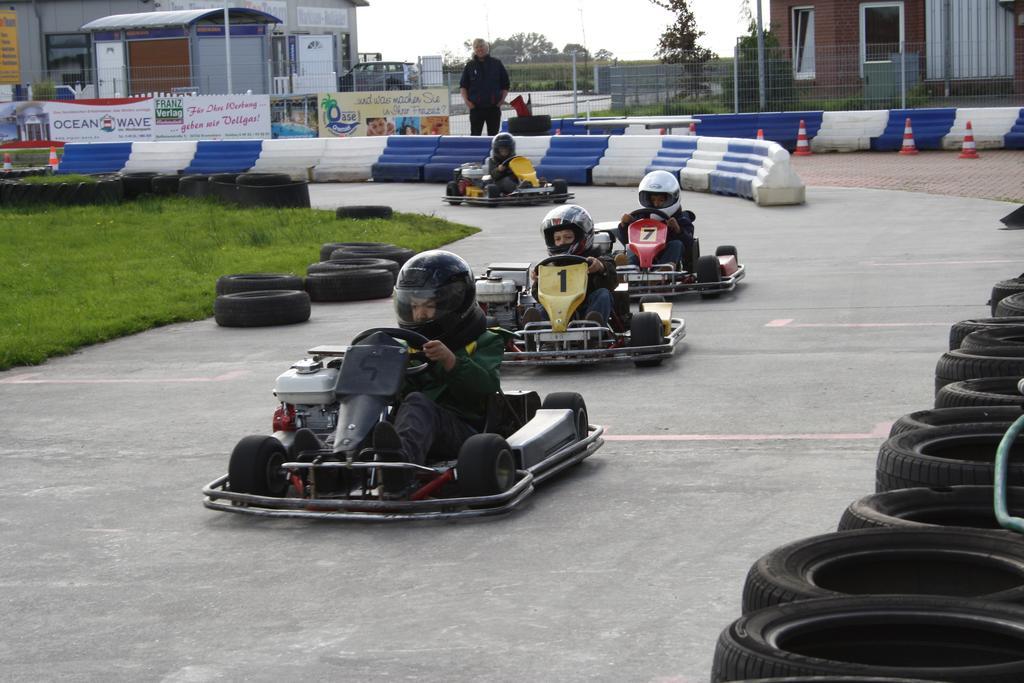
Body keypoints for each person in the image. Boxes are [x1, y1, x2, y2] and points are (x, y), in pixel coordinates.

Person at [371, 250, 504, 493]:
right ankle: (332, 462)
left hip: (464, 431)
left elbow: (486, 388)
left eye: (428, 306)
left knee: (417, 403)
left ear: (454, 304)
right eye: (414, 306)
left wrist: (451, 361)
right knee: (370, 403)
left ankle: (400, 470)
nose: (420, 314)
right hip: (410, 428)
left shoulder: (484, 341)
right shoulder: (407, 347)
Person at [522, 205, 617, 326]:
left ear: (582, 236)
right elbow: (538, 296)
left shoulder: (596, 259)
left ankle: (592, 327)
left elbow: (612, 279)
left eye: (568, 237)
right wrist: (538, 281)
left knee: (603, 294)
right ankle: (536, 329)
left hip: (587, 309)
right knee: (542, 307)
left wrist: (600, 268)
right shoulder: (550, 265)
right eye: (557, 238)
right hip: (556, 310)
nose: (562, 242)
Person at [616, 170, 695, 269]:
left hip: (666, 255)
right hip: (642, 255)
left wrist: (678, 230)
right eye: (653, 200)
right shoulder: (640, 217)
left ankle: (664, 270)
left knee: (677, 244)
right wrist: (624, 225)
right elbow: (626, 240)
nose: (656, 204)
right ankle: (628, 269)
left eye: (661, 200)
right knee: (632, 247)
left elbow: (689, 244)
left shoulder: (682, 218)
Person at [459, 38, 510, 136]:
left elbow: (506, 84)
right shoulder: (470, 66)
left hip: (493, 108)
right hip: (475, 108)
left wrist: (501, 101)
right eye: (476, 47)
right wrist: (467, 102)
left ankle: (492, 152)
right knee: (475, 136)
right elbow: (463, 86)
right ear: (474, 49)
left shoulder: (497, 64)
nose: (479, 49)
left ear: (487, 47)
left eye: (481, 46)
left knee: (493, 137)